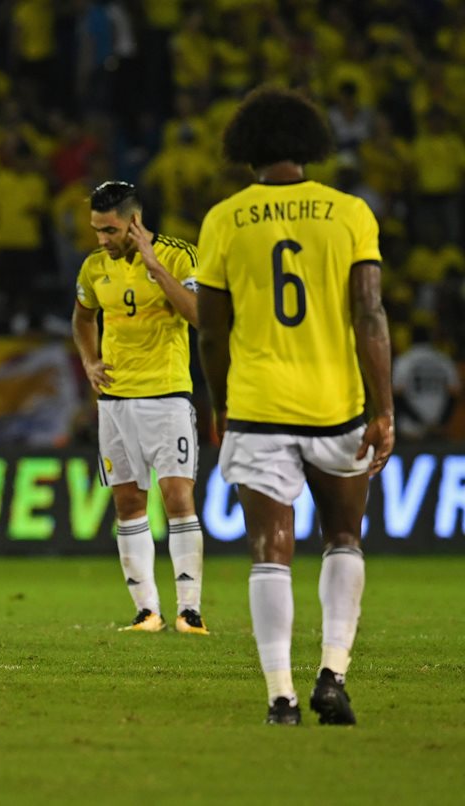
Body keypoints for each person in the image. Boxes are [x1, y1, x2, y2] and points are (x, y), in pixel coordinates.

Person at [196, 87, 394, 726]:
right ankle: (332, 673)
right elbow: (370, 312)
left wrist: (219, 403)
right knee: (343, 538)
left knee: (268, 548)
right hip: (336, 402)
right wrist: (383, 407)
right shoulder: (350, 213)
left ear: (244, 147)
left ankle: (280, 696)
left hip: (257, 403)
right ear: (312, 144)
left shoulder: (224, 218)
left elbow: (210, 330)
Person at [72, 181, 208, 636]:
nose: (101, 240)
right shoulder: (93, 268)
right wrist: (90, 361)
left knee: (176, 498)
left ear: (134, 222)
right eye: (96, 231)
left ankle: (190, 609)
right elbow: (83, 316)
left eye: (109, 231)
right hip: (114, 401)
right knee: (128, 503)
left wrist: (154, 267)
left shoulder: (179, 256)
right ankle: (147, 610)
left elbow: (200, 316)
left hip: (167, 395)